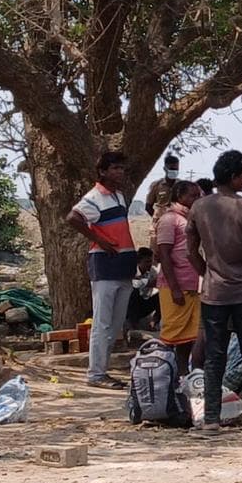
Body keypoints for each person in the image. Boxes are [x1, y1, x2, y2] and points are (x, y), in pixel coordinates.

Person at [186, 149, 242, 433]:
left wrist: (207, 273)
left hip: (214, 293)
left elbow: (190, 252)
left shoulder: (199, 207)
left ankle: (211, 418)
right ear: (234, 176)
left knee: (215, 356)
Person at [66, 150, 138, 389]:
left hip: (123, 264)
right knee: (102, 322)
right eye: (115, 168)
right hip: (105, 264)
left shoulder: (119, 196)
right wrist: (100, 240)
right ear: (103, 171)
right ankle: (96, 373)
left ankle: (102, 370)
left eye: (122, 168)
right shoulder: (94, 196)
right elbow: (73, 217)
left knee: (115, 324)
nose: (120, 172)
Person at [156, 181, 202, 377]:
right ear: (180, 196)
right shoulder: (169, 219)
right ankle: (162, 374)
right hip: (175, 286)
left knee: (188, 337)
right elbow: (164, 254)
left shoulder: (190, 219)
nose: (196, 199)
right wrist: (175, 288)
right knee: (172, 334)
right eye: (193, 195)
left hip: (193, 286)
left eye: (198, 195)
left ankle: (182, 374)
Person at [126, 247, 160, 330]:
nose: (150, 264)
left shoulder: (153, 272)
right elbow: (134, 284)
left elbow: (160, 283)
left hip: (144, 303)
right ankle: (133, 324)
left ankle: (154, 323)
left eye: (151, 261)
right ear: (138, 262)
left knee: (161, 295)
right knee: (134, 292)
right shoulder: (131, 270)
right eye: (146, 262)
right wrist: (148, 283)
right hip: (129, 306)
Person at [145, 153, 180, 217]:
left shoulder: (182, 185)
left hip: (178, 220)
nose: (174, 171)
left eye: (176, 169)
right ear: (165, 169)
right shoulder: (156, 185)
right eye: (171, 169)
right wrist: (157, 219)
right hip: (162, 219)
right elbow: (148, 206)